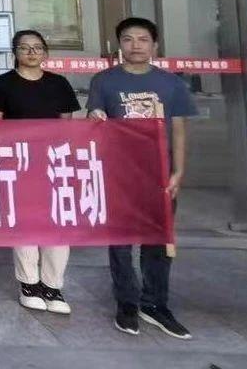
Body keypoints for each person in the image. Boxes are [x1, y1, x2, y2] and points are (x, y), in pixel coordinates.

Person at [86, 17, 196, 340]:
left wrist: (178, 171)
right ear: (119, 44)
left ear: (154, 45)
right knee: (120, 242)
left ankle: (155, 304)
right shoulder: (104, 81)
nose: (135, 45)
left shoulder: (171, 84)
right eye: (128, 39)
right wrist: (95, 117)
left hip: (158, 174)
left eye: (143, 39)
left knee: (158, 240)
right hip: (119, 173)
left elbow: (179, 129)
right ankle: (127, 303)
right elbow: (94, 117)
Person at [0, 29, 82, 316]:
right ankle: (29, 284)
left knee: (57, 223)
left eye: (37, 47)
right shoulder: (2, 84)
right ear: (14, 52)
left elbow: (65, 125)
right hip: (18, 163)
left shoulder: (59, 83)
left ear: (45, 52)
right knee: (26, 223)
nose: (31, 52)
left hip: (54, 162)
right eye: (24, 47)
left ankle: (53, 286)